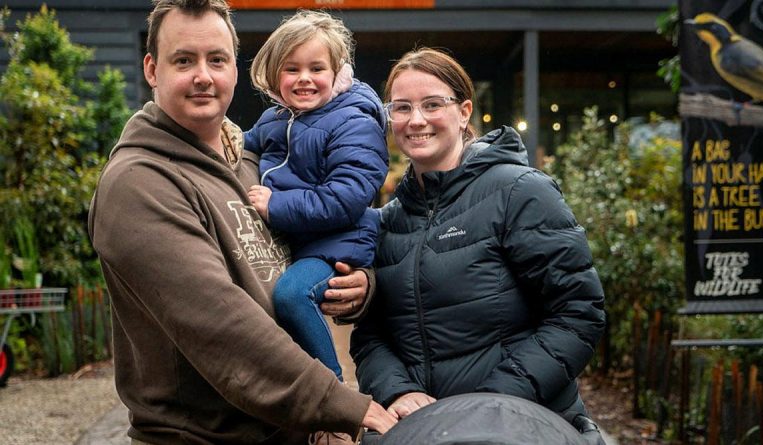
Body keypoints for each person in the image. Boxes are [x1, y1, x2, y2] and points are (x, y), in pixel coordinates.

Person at [87, 1, 396, 444]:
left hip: (286, 430)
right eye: (184, 60)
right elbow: (223, 328)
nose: (203, 75)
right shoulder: (139, 184)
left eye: (217, 59)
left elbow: (309, 233)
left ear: (235, 69)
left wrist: (355, 280)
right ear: (152, 70)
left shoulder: (250, 161)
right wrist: (342, 404)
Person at [350, 48, 606, 442]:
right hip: (422, 431)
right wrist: (397, 391)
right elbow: (371, 334)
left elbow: (578, 313)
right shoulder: (386, 221)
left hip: (522, 426)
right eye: (401, 108)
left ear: (464, 111)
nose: (415, 120)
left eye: (432, 104)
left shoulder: (519, 192)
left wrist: (489, 405)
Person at [244, 10, 388, 386]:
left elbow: (346, 197)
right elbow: (241, 145)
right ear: (276, 75)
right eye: (292, 69)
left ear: (338, 73)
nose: (304, 78)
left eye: (316, 68)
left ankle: (332, 390)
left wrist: (276, 205)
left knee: (292, 296)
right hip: (302, 240)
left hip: (337, 244)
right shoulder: (276, 118)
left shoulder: (353, 121)